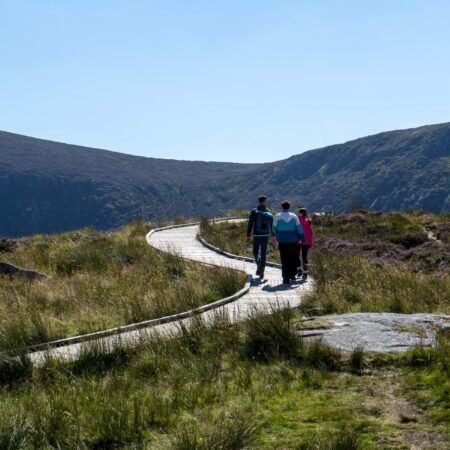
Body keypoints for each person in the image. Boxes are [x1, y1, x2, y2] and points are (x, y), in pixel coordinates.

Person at [272, 200, 305, 284]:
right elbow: (299, 229)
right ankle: (292, 275)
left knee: (284, 259)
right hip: (294, 241)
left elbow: (273, 228)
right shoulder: (294, 216)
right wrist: (302, 238)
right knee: (293, 258)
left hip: (282, 242)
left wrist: (276, 234)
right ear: (289, 207)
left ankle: (285, 278)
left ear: (282, 207)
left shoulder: (277, 216)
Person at [246, 195, 274, 278]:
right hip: (266, 235)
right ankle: (263, 269)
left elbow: (250, 223)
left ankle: (259, 264)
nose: (267, 202)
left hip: (256, 234)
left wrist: (248, 234)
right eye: (266, 201)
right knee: (263, 252)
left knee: (255, 251)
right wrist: (273, 235)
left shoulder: (254, 211)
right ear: (264, 201)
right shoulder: (269, 212)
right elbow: (271, 225)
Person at [297, 207, 314, 277]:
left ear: (300, 213)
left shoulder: (297, 220)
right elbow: (311, 233)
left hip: (298, 240)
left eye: (298, 212)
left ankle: (299, 270)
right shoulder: (308, 222)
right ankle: (305, 271)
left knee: (297, 256)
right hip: (306, 241)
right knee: (304, 256)